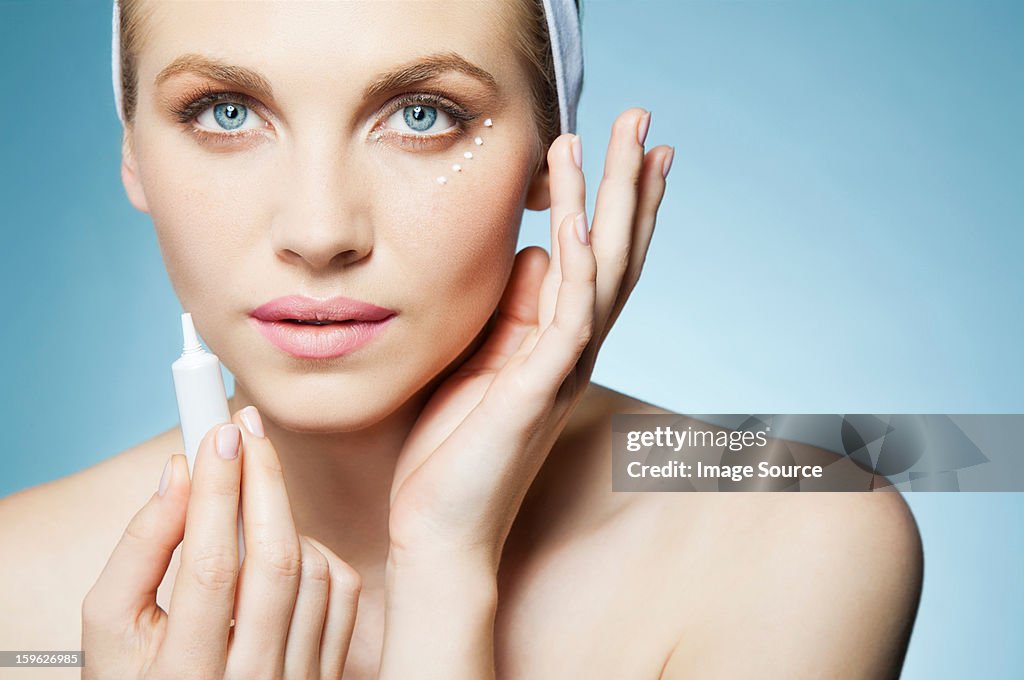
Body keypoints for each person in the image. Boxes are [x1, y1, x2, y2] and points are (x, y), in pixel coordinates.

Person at [0, 1, 923, 678]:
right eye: (226, 111)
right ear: (132, 148)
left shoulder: (797, 530)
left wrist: (444, 575)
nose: (321, 231)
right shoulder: (15, 589)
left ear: (547, 152)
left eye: (422, 115)